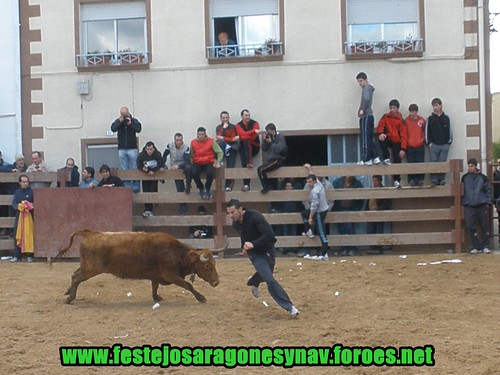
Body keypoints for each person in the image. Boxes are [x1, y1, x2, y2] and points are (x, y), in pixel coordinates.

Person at [226, 198, 300, 318]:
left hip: (267, 250)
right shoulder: (236, 224)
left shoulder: (255, 217)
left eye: (232, 212)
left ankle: (253, 281)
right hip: (255, 254)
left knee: (266, 274)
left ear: (240, 209)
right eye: (228, 213)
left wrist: (253, 244)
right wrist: (244, 247)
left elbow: (270, 237)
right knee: (269, 279)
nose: (230, 215)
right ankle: (290, 307)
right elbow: (243, 236)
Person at [462, 159, 492, 254]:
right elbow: (462, 191)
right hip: (469, 205)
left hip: (481, 205)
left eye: (471, 166)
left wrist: (488, 201)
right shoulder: (464, 178)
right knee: (470, 226)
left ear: (475, 166)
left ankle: (485, 246)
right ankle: (476, 246)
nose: (470, 168)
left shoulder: (483, 177)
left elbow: (488, 190)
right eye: (469, 166)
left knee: (484, 226)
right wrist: (464, 202)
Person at [377, 99, 408, 188]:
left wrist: (403, 149)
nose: (392, 109)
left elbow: (404, 135)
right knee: (381, 139)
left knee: (397, 160)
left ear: (397, 108)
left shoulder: (401, 120)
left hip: (397, 142)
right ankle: (386, 157)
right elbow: (380, 125)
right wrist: (381, 133)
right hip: (388, 138)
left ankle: (397, 181)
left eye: (394, 107)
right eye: (390, 108)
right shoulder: (385, 117)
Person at [110, 106, 142, 192]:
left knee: (134, 166)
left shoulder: (134, 120)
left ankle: (135, 183)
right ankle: (127, 182)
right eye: (122, 115)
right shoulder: (118, 121)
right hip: (122, 148)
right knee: (124, 167)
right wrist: (119, 122)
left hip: (132, 148)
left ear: (128, 113)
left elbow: (138, 129)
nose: (124, 117)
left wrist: (130, 124)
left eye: (125, 115)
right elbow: (113, 129)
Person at [333, 175, 365, 256]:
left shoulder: (357, 184)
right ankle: (344, 248)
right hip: (340, 209)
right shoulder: (337, 182)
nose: (349, 177)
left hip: (351, 209)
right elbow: (332, 194)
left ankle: (351, 249)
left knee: (350, 229)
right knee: (342, 229)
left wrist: (357, 208)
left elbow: (361, 198)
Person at [301, 174, 330, 260]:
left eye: (310, 182)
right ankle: (310, 230)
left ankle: (324, 254)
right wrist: (309, 169)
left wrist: (310, 217)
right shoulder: (319, 184)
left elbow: (314, 206)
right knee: (303, 213)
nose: (308, 183)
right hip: (323, 210)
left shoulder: (314, 191)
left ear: (314, 181)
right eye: (307, 182)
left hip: (319, 212)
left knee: (322, 233)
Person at [189, 127, 223, 200]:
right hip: (197, 162)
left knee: (210, 172)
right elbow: (190, 154)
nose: (201, 136)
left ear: (205, 134)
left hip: (208, 162)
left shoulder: (211, 141)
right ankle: (201, 187)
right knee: (194, 173)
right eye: (200, 134)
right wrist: (192, 162)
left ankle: (207, 188)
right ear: (197, 134)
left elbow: (220, 152)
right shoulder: (193, 142)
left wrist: (218, 162)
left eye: (202, 134)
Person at [426, 97, 452, 186]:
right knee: (433, 162)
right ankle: (434, 180)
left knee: (442, 162)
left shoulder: (446, 118)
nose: (435, 107)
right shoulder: (430, 118)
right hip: (434, 145)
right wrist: (429, 143)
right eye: (433, 106)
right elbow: (427, 131)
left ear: (441, 105)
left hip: (444, 144)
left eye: (436, 105)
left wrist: (449, 142)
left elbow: (450, 130)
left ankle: (441, 179)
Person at [163, 133, 192, 215]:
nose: (178, 142)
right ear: (174, 140)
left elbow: (187, 161)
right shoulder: (169, 145)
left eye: (180, 140)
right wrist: (161, 164)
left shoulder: (186, 148)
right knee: (180, 188)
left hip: (183, 167)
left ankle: (188, 184)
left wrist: (178, 166)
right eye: (177, 140)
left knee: (188, 167)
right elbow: (164, 155)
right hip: (174, 169)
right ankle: (183, 207)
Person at [356, 72, 381, 166]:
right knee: (370, 137)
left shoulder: (366, 88)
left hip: (366, 116)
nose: (360, 83)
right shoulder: (369, 89)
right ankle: (375, 157)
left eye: (361, 81)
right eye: (359, 82)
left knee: (365, 138)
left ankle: (366, 158)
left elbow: (366, 99)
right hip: (369, 116)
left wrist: (362, 109)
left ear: (365, 80)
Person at [137, 141, 165, 217]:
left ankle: (154, 202)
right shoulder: (141, 155)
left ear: (153, 149)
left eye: (151, 149)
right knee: (146, 192)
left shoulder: (157, 154)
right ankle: (148, 209)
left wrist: (154, 171)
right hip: (145, 176)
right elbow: (138, 165)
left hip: (154, 175)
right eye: (148, 149)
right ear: (145, 149)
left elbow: (160, 164)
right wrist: (144, 170)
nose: (149, 151)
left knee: (153, 189)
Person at [10, 174, 34, 263]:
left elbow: (35, 204)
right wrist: (19, 207)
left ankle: (30, 255)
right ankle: (17, 255)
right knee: (17, 235)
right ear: (20, 183)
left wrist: (29, 206)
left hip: (29, 217)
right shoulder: (17, 192)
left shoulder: (31, 192)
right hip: (19, 217)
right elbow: (13, 204)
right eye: (23, 182)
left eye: (27, 182)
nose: (25, 184)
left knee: (29, 235)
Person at [258, 123, 287, 194]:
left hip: (277, 159)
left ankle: (266, 187)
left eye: (269, 131)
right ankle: (269, 186)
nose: (268, 133)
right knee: (264, 172)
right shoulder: (269, 138)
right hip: (270, 160)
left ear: (273, 130)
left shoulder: (279, 137)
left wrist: (271, 142)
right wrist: (265, 141)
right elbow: (264, 149)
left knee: (261, 170)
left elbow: (278, 149)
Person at [236, 109, 260, 191]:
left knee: (246, 141)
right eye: (246, 115)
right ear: (242, 116)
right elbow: (242, 134)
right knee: (244, 163)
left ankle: (250, 162)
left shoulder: (255, 123)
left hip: (255, 146)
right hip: (244, 148)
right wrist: (253, 131)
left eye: (248, 115)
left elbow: (252, 137)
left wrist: (242, 137)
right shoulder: (238, 125)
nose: (248, 117)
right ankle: (246, 185)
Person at [366, 175, 391, 255]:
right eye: (373, 180)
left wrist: (379, 210)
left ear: (380, 181)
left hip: (379, 213)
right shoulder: (370, 189)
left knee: (379, 231)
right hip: (370, 213)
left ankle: (379, 248)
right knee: (371, 231)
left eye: (376, 180)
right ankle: (372, 247)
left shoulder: (383, 190)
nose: (374, 182)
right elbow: (368, 201)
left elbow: (386, 203)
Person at [215, 111, 239, 192]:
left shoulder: (233, 127)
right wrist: (224, 129)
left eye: (226, 117)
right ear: (221, 119)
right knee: (221, 142)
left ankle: (228, 186)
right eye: (223, 118)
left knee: (230, 167)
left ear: (229, 118)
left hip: (232, 149)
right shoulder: (219, 127)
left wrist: (224, 138)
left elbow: (234, 139)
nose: (225, 119)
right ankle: (221, 159)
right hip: (222, 148)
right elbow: (218, 138)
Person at [405, 103, 426, 186]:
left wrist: (423, 140)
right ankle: (411, 180)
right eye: (410, 112)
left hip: (420, 145)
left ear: (416, 112)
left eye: (413, 111)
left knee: (420, 162)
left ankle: (420, 179)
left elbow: (425, 131)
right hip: (409, 146)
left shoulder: (422, 120)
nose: (412, 114)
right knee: (410, 163)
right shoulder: (406, 121)